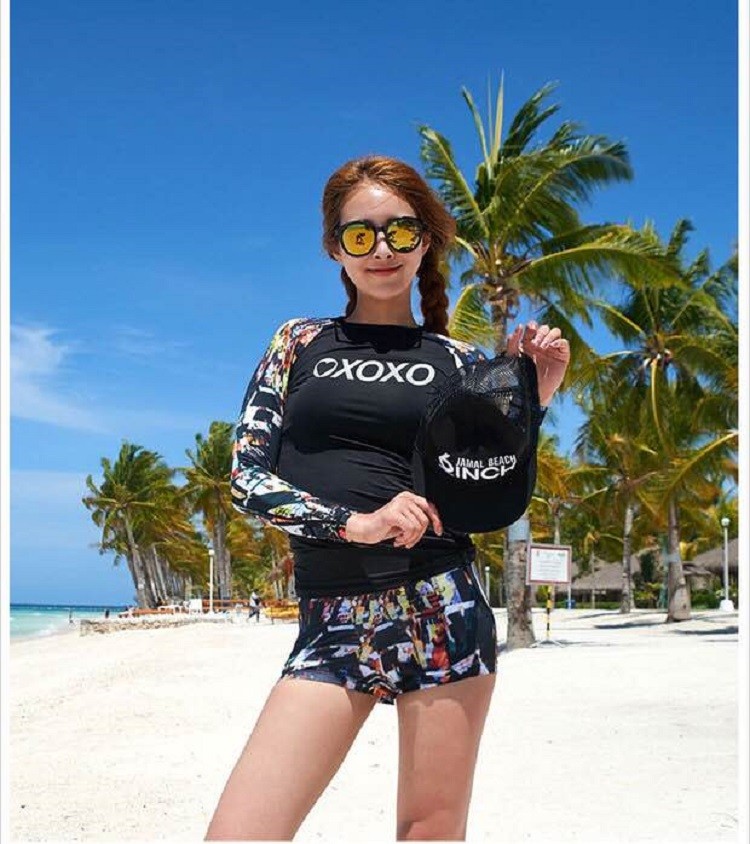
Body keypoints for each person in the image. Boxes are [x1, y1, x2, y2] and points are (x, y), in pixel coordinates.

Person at [206, 155, 570, 841]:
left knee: (427, 831)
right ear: (334, 248)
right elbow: (247, 477)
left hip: (442, 609)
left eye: (401, 231)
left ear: (424, 242)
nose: (381, 249)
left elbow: (486, 489)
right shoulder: (298, 342)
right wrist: (354, 523)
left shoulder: (461, 362)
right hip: (331, 622)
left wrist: (535, 399)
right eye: (360, 234)